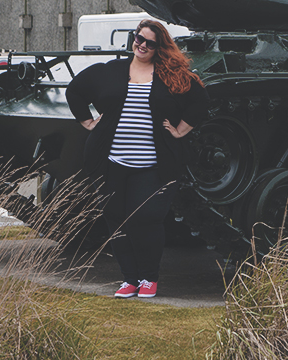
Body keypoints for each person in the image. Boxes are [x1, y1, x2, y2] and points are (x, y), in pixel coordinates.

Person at [66, 19, 209, 299]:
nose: (141, 45)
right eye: (138, 38)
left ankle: (149, 278)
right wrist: (87, 121)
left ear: (159, 47)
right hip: (112, 161)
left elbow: (200, 100)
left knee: (147, 217)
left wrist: (180, 130)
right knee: (115, 218)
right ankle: (129, 279)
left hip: (153, 163)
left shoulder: (170, 74)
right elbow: (75, 90)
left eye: (149, 43)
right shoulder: (112, 70)